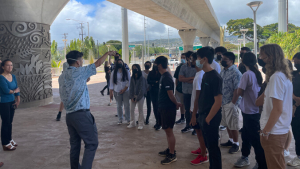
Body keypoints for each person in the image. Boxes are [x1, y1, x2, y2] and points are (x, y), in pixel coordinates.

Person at [59, 50, 115, 169]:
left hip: (69, 116)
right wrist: (107, 53)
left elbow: (73, 85)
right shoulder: (80, 72)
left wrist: (83, 80)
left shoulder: (62, 76)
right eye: (82, 60)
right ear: (78, 62)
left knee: (75, 145)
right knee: (92, 143)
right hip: (81, 115)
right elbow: (98, 63)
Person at [256, 44, 293, 169]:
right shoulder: (281, 76)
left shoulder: (277, 77)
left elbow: (277, 109)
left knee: (275, 165)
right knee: (276, 163)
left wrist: (266, 131)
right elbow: (260, 102)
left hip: (274, 131)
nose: (260, 58)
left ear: (270, 57)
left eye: (261, 55)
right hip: (277, 129)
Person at [234, 52, 267, 169]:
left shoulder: (247, 74)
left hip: (249, 111)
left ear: (243, 61)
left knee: (255, 139)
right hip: (252, 109)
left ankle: (261, 163)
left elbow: (240, 92)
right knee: (246, 135)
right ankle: (245, 156)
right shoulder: (256, 73)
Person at [196, 46, 223, 169]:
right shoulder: (205, 75)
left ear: (204, 59)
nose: (196, 61)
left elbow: (218, 102)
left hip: (210, 117)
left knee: (213, 148)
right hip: (203, 115)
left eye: (198, 58)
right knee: (208, 145)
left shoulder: (215, 77)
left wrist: (208, 119)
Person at [155, 56, 182, 165]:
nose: (155, 66)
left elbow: (171, 95)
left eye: (156, 64)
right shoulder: (164, 76)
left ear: (160, 65)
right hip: (163, 107)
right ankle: (170, 149)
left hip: (167, 108)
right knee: (166, 130)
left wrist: (176, 104)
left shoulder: (167, 77)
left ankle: (172, 154)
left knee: (169, 131)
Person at [219, 52, 242, 154]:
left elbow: (237, 90)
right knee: (227, 123)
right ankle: (231, 140)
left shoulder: (235, 73)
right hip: (224, 102)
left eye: (225, 59)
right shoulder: (223, 71)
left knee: (233, 125)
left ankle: (236, 144)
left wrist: (233, 103)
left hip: (231, 102)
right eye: (222, 59)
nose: (222, 61)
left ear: (231, 61)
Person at [189, 53, 208, 165]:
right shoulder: (198, 74)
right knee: (198, 132)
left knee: (200, 133)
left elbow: (198, 96)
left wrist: (193, 113)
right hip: (195, 109)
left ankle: (203, 155)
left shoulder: (201, 75)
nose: (191, 61)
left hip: (198, 110)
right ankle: (202, 149)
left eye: (192, 59)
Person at [0, 59, 20, 151]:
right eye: (8, 65)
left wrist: (18, 98)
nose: (10, 67)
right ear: (3, 67)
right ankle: (5, 143)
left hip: (12, 101)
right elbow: (6, 90)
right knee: (5, 122)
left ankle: (9, 139)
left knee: (10, 122)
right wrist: (14, 91)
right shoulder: (1, 77)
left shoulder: (13, 76)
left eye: (11, 65)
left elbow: (16, 88)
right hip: (3, 102)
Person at [179, 51, 197, 133]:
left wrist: (186, 79)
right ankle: (188, 125)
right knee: (187, 109)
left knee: (195, 109)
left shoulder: (196, 67)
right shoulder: (183, 67)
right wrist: (191, 78)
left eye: (191, 58)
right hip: (185, 91)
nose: (190, 59)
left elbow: (196, 80)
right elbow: (180, 78)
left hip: (195, 91)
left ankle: (195, 127)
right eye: (188, 57)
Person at [287, 52, 300, 167]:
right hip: (295, 109)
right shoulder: (295, 74)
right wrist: (294, 98)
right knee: (297, 132)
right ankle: (299, 156)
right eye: (294, 62)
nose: (295, 64)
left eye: (297, 61)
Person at [110, 59, 131, 125]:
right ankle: (120, 119)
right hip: (117, 91)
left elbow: (129, 81)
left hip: (126, 91)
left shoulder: (127, 71)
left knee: (127, 105)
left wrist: (124, 89)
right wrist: (111, 92)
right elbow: (111, 82)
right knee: (119, 106)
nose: (120, 63)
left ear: (123, 63)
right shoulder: (114, 72)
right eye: (118, 62)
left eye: (121, 62)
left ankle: (128, 119)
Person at [128, 64, 147, 130]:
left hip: (140, 96)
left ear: (138, 69)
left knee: (140, 110)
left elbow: (142, 89)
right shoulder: (132, 78)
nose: (134, 70)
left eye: (135, 68)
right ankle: (132, 123)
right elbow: (131, 88)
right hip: (133, 96)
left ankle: (140, 124)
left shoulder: (142, 78)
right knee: (131, 109)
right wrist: (132, 97)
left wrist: (137, 98)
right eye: (133, 68)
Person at [147, 63, 162, 130]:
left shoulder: (161, 73)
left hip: (159, 92)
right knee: (154, 107)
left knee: (159, 107)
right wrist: (155, 82)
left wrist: (154, 83)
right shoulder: (151, 73)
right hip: (152, 91)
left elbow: (160, 81)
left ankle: (160, 122)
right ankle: (157, 122)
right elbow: (148, 80)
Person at [174, 53, 186, 124]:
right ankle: (182, 118)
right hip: (180, 89)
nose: (183, 59)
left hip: (188, 89)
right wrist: (177, 86)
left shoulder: (191, 67)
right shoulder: (179, 67)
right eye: (181, 57)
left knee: (188, 104)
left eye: (184, 57)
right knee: (181, 104)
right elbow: (176, 78)